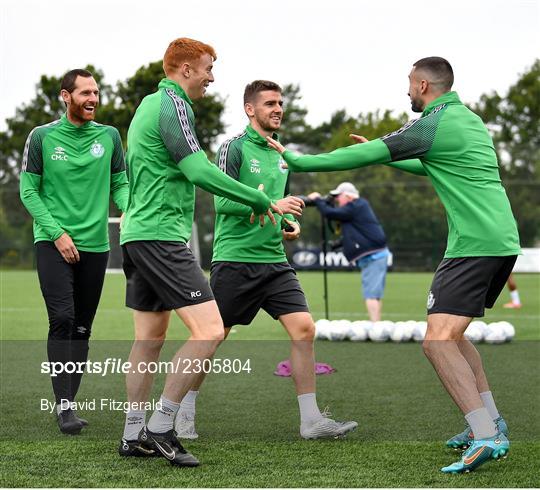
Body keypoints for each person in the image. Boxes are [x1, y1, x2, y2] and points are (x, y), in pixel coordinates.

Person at [266, 57, 520, 474]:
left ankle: (486, 435)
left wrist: (300, 161)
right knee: (454, 337)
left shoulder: (432, 121)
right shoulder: (467, 120)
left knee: (436, 341)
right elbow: (428, 164)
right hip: (499, 240)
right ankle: (490, 420)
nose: (407, 91)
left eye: (409, 84)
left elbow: (364, 153)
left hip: (473, 245)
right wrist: (386, 157)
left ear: (422, 84)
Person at [119, 39, 281, 467]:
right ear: (186, 69)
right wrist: (259, 200)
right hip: (159, 236)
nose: (212, 77)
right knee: (210, 330)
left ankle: (132, 434)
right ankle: (160, 427)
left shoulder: (149, 105)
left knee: (150, 339)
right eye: (208, 68)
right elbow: (198, 170)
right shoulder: (172, 104)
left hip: (138, 234)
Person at [173, 80, 357, 441]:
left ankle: (311, 421)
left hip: (274, 262)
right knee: (211, 337)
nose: (277, 109)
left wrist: (289, 224)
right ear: (250, 109)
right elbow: (222, 202)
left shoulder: (281, 155)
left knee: (304, 328)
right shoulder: (234, 148)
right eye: (269, 103)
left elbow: (280, 205)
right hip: (235, 261)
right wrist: (272, 206)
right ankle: (183, 411)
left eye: (280, 103)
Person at [19, 69, 129, 435]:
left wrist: (128, 209)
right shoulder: (42, 137)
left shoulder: (110, 136)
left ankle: (70, 403)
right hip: (53, 243)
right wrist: (57, 233)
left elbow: (120, 182)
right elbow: (28, 191)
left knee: (82, 327)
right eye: (85, 93)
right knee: (62, 319)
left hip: (96, 245)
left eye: (96, 92)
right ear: (66, 97)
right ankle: (64, 407)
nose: (93, 98)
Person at [307, 182, 389, 322]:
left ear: (348, 195)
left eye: (338, 196)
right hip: (375, 255)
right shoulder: (357, 207)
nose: (337, 200)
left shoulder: (356, 205)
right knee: (374, 294)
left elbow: (330, 213)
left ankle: (376, 326)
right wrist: (341, 243)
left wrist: (318, 200)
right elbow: (357, 231)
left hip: (373, 256)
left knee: (371, 294)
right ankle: (377, 324)